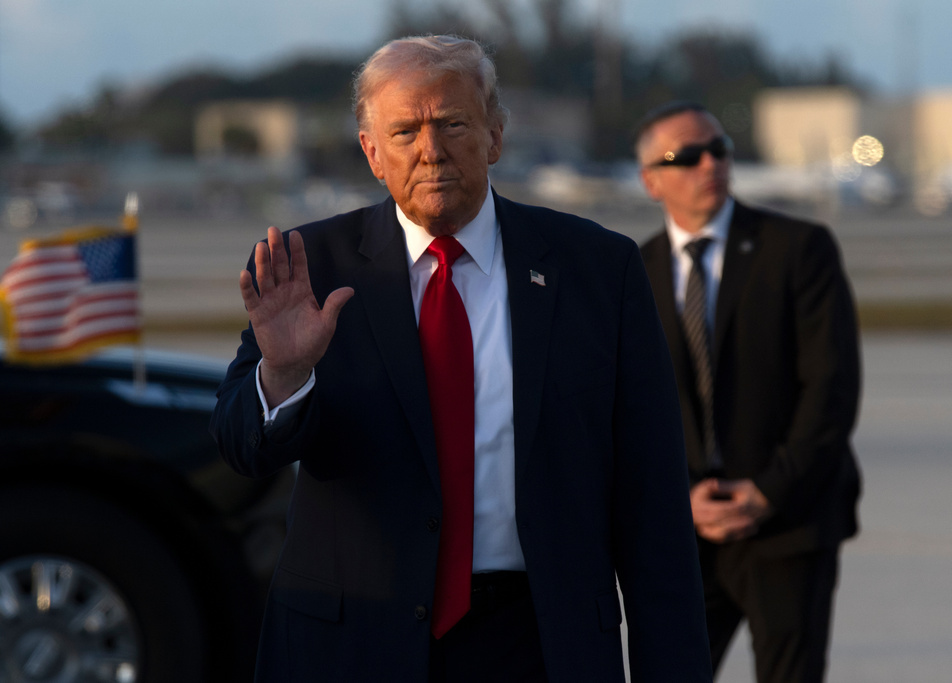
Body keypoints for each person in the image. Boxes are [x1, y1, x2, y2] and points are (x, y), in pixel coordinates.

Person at [211, 36, 711, 683]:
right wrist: (284, 374)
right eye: (404, 130)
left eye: (452, 124)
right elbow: (239, 445)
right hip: (356, 645)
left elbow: (654, 508)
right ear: (372, 152)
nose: (430, 149)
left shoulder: (597, 270)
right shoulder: (310, 267)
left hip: (537, 643)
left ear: (495, 135)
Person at [634, 101, 862, 683]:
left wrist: (766, 491)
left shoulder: (798, 248)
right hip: (685, 529)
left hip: (787, 520)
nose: (709, 162)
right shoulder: (632, 271)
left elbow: (831, 390)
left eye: (719, 149)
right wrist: (681, 498)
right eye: (686, 155)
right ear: (650, 181)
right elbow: (624, 413)